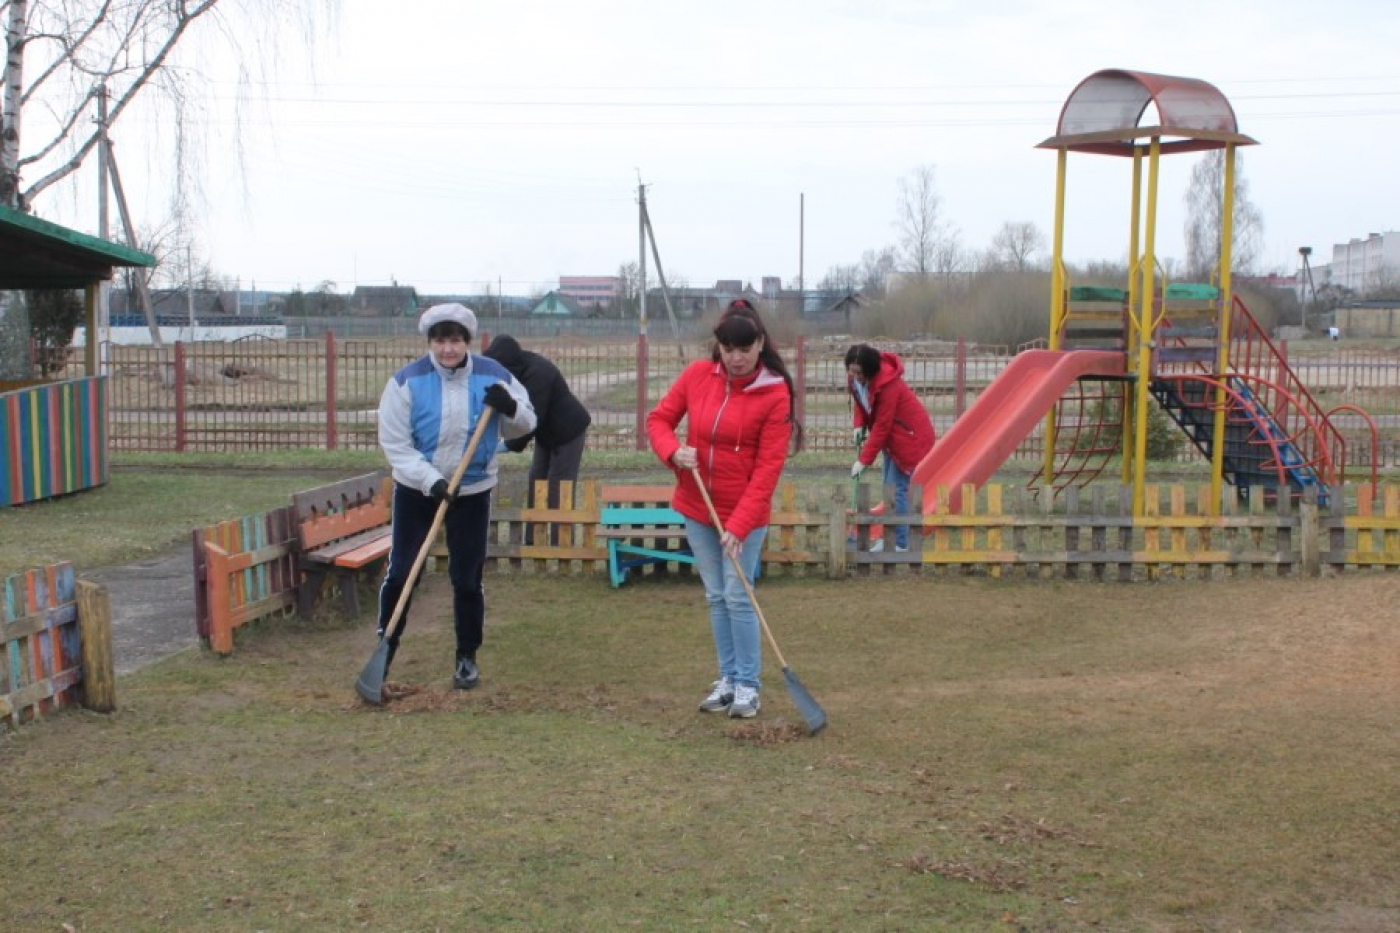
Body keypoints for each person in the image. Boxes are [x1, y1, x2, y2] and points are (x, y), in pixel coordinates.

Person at [646, 299, 803, 719]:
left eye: (744, 349)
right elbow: (657, 421)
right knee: (717, 595)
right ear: (718, 346)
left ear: (760, 344)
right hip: (697, 506)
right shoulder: (698, 376)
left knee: (739, 596)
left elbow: (769, 469)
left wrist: (738, 525)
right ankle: (729, 679)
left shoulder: (773, 393)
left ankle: (749, 685)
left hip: (745, 515)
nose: (735, 358)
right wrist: (673, 452)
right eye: (727, 349)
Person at [376, 303, 536, 690]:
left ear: (467, 341)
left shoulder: (494, 375)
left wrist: (510, 407)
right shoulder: (405, 383)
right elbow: (395, 445)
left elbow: (528, 423)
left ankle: (467, 655)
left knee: (466, 578)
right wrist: (430, 480)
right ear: (430, 342)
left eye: (455, 340)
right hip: (417, 491)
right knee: (401, 573)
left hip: (472, 490)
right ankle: (385, 646)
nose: (448, 349)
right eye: (440, 340)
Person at [483, 335, 592, 542]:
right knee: (537, 480)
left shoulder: (539, 374)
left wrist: (508, 444)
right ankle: (534, 540)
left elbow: (532, 419)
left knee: (558, 486)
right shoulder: (516, 370)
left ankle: (559, 541)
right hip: (546, 433)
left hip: (568, 432)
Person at [845, 343, 936, 553]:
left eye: (858, 372)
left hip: (910, 437)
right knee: (889, 487)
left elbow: (882, 425)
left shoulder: (888, 384)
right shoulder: (856, 380)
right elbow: (861, 403)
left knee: (896, 489)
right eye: (850, 370)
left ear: (869, 370)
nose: (853, 375)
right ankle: (892, 539)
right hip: (892, 438)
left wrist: (864, 460)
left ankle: (900, 543)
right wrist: (858, 425)